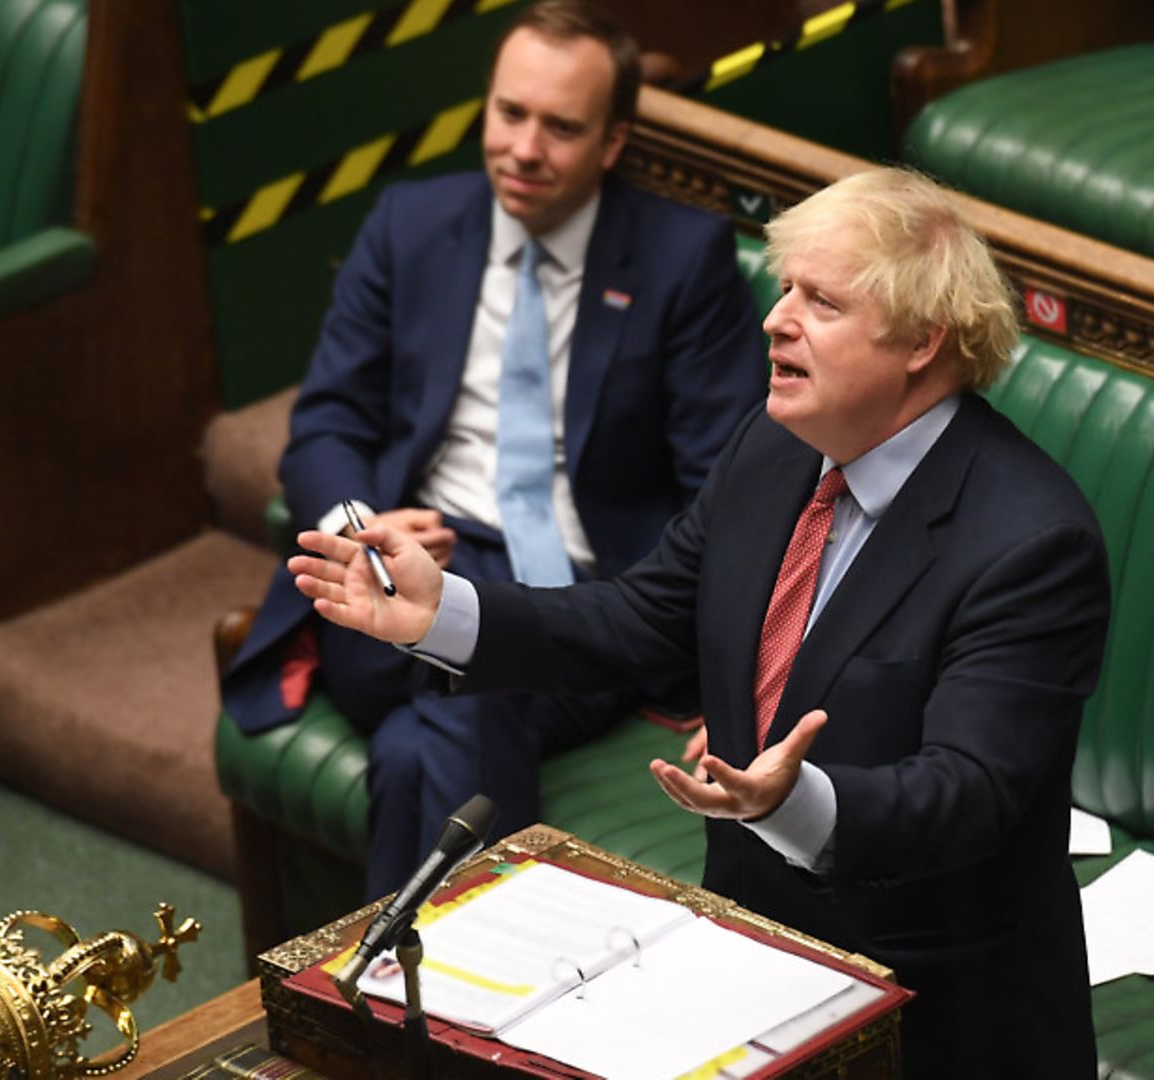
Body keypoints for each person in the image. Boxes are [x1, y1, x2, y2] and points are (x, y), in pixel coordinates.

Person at [288, 167, 1109, 1077]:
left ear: (923, 340)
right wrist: (442, 611)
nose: (776, 317)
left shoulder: (1031, 542)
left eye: (821, 301)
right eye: (784, 285)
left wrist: (795, 802)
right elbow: (640, 617)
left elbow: (970, 795)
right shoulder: (775, 447)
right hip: (750, 965)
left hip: (937, 1014)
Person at [221, 0, 767, 900]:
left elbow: (725, 483)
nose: (524, 147)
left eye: (562, 127)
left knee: (434, 726)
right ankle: (476, 991)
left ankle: (399, 1000)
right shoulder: (410, 225)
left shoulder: (681, 259)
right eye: (510, 114)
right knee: (474, 667)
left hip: (580, 600)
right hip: (398, 568)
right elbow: (326, 422)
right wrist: (361, 527)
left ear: (613, 141)